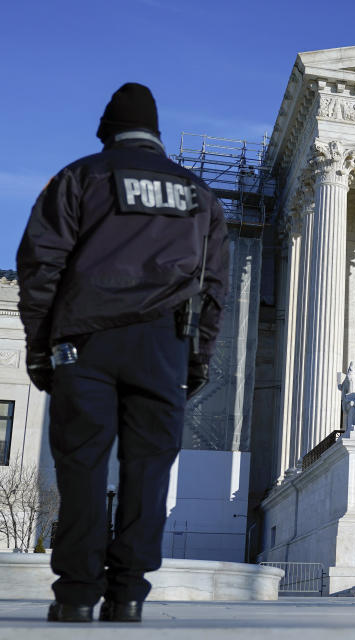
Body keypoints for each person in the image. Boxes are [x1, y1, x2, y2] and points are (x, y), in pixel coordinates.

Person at [16, 83, 228, 623]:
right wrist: (196, 355)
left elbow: (42, 266)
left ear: (107, 131)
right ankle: (129, 593)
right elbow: (214, 287)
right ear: (155, 134)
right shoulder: (200, 194)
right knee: (149, 469)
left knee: (82, 465)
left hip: (85, 341)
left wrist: (40, 347)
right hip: (164, 343)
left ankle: (76, 595)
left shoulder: (79, 177)